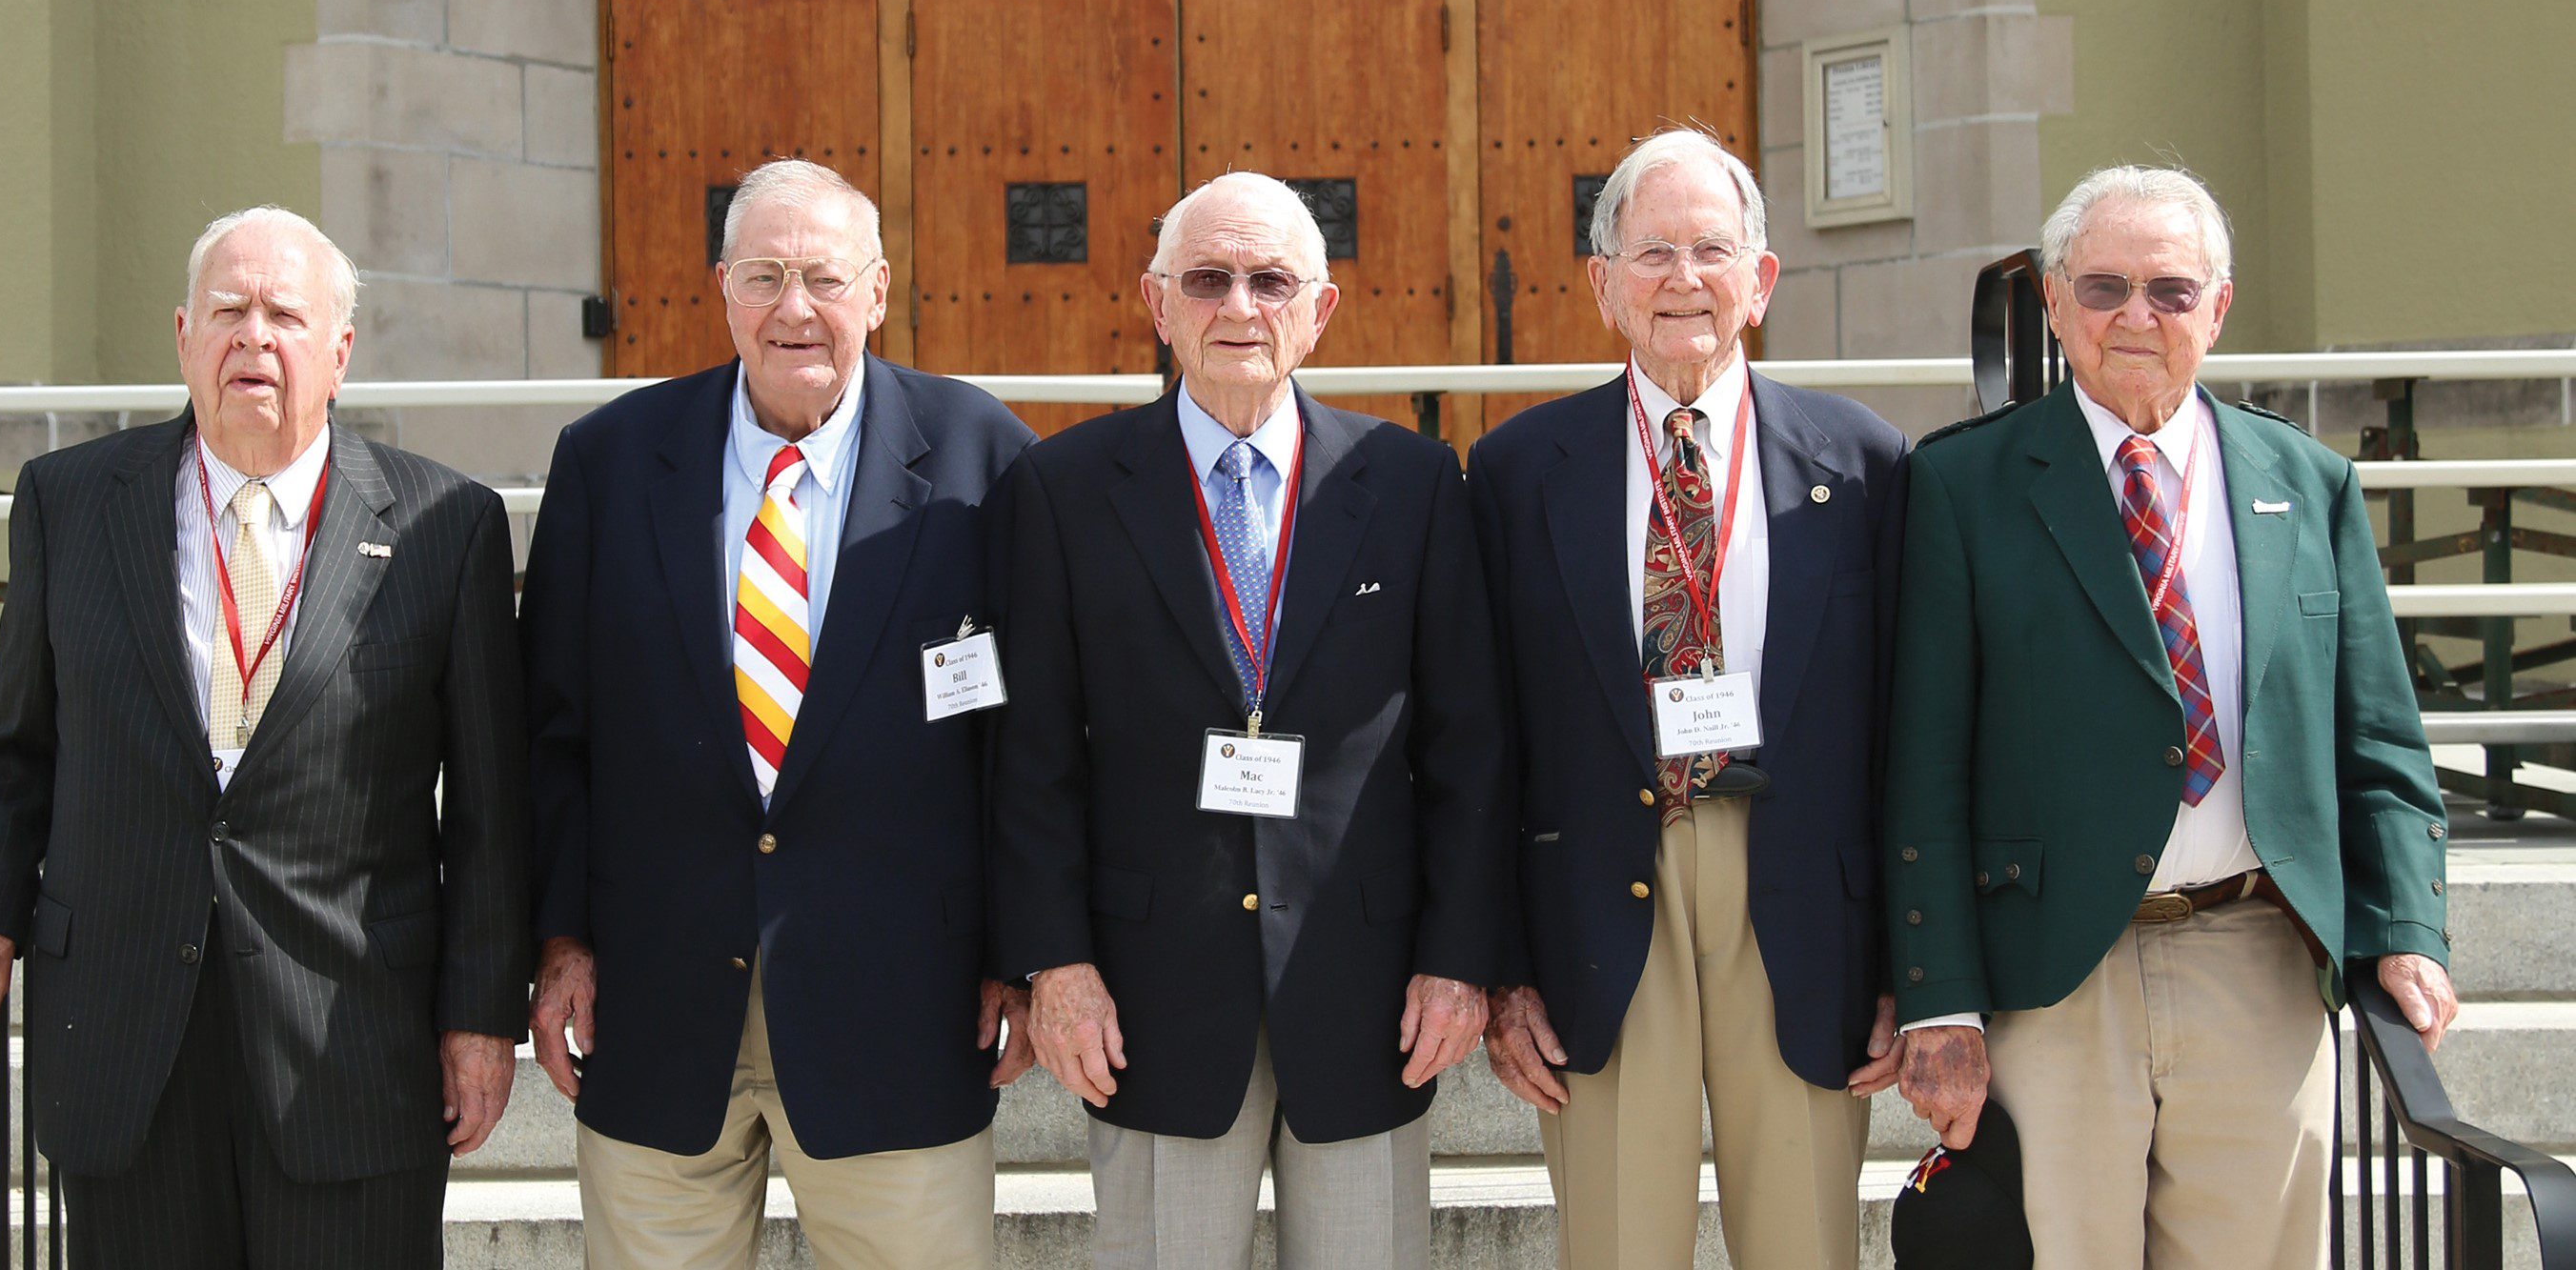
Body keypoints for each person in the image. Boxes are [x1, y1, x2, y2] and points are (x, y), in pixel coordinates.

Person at [0, 206, 529, 1267]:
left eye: (285, 313)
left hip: (349, 1044)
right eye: (228, 311)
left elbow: (491, 810)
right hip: (126, 1037)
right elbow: (14, 749)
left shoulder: (441, 525)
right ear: (184, 335)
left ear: (340, 350)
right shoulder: (71, 501)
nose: (254, 338)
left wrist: (478, 1016)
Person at [1886, 164, 2461, 1268]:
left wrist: (2404, 931)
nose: (2133, 317)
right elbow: (1922, 764)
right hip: (2055, 975)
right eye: (2101, 288)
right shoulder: (1963, 486)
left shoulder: (2308, 483)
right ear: (2052, 303)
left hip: (2255, 955)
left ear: (2218, 305)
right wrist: (1937, 998)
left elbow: (2377, 737)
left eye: (2167, 289)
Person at [992, 171, 1511, 1269]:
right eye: (1208, 278)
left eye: (1269, 280)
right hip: (1145, 995)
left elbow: (1467, 747)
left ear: (1317, 311)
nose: (1238, 306)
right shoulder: (1063, 488)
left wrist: (1458, 955)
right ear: (1156, 302)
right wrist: (1054, 965)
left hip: (1370, 992)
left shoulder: (1411, 483)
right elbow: (1031, 758)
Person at [524, 158, 1037, 1268]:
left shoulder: (978, 457)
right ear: (720, 287)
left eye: (822, 276)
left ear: (880, 291)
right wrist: (560, 938)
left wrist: (1022, 950)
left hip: (903, 1007)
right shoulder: (609, 461)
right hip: (655, 1005)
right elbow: (554, 732)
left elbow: (1023, 743)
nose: (793, 308)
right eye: (763, 275)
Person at [1468, 128, 1911, 1269]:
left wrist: (1915, 966)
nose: (1681, 279)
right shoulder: (1516, 473)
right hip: (1602, 894)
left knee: (1806, 1240)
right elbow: (1483, 738)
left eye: (1709, 250)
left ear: (1758, 281)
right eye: (1649, 252)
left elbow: (1904, 732)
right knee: (1617, 1242)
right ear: (1602, 285)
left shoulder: (1863, 463)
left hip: (1801, 890)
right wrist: (1502, 965)